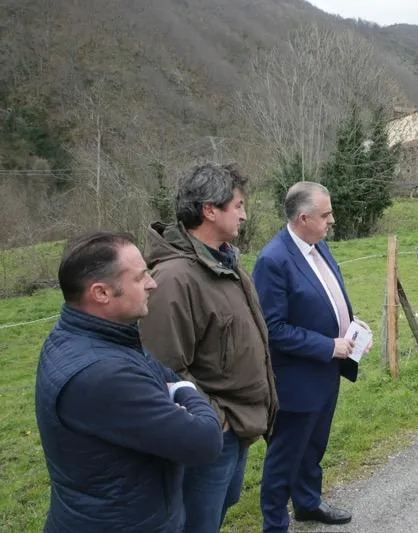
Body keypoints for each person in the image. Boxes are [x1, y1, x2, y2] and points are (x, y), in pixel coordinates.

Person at [35, 231, 223, 533]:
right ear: (101, 293)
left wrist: (170, 387)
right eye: (139, 278)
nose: (153, 283)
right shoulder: (102, 373)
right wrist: (187, 389)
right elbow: (205, 440)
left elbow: (162, 373)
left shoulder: (90, 336)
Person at [139, 163, 279, 533]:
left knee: (217, 513)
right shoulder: (174, 279)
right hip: (212, 434)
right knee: (196, 524)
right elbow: (163, 369)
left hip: (239, 424)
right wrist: (217, 421)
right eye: (238, 205)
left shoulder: (226, 261)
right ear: (209, 210)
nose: (245, 214)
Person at [253, 181, 370, 533]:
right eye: (326, 214)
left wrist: (353, 329)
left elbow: (329, 296)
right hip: (295, 379)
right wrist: (326, 345)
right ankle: (274, 524)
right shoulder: (272, 260)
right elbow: (272, 328)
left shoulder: (318, 246)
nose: (332, 220)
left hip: (326, 372)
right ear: (303, 218)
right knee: (284, 455)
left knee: (314, 446)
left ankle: (307, 503)